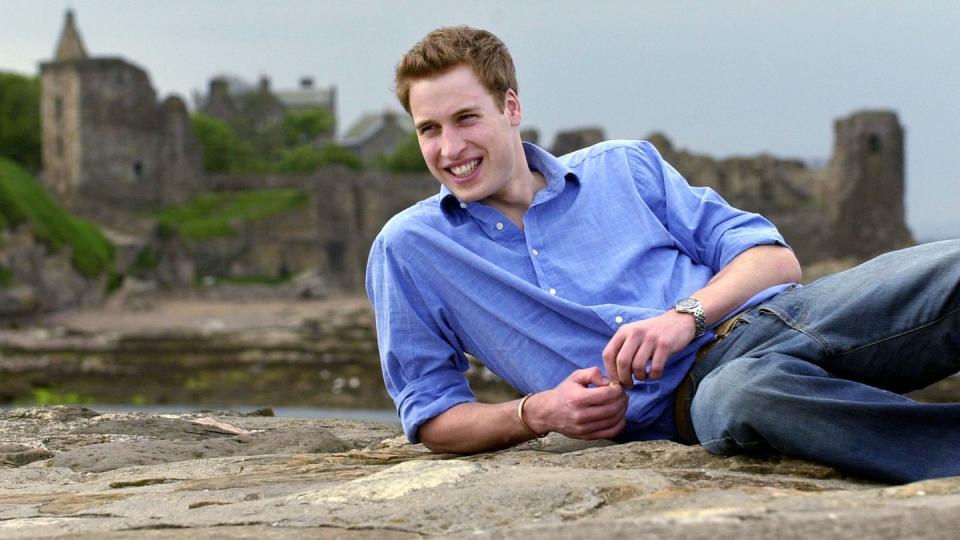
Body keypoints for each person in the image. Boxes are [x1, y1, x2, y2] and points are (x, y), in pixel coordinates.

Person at [365, 26, 960, 484]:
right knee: (745, 396)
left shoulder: (624, 166)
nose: (450, 148)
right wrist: (537, 413)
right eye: (429, 129)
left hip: (788, 315)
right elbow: (430, 415)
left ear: (511, 108)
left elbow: (773, 260)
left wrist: (683, 317)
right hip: (700, 400)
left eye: (466, 118)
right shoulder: (410, 249)